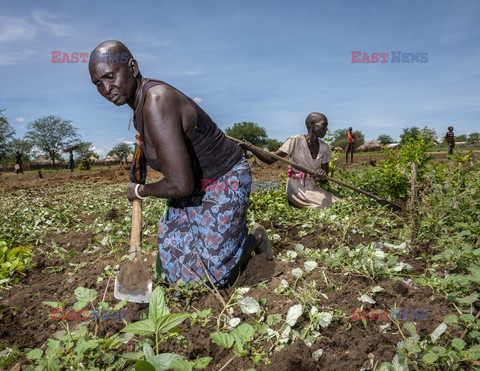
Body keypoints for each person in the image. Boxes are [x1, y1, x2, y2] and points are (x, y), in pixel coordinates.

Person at [88, 40, 272, 288]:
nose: (106, 88)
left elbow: (180, 185)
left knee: (210, 277)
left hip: (222, 179)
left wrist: (140, 191)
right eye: (98, 84)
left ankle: (254, 238)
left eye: (110, 77)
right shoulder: (139, 109)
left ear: (132, 67)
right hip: (192, 185)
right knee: (174, 270)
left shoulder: (157, 102)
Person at [244, 112, 339, 209]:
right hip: (296, 188)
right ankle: (294, 201)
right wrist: (251, 148)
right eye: (324, 125)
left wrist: (322, 174)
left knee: (339, 202)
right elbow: (270, 159)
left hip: (313, 187)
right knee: (324, 206)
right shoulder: (295, 140)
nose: (326, 129)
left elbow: (324, 180)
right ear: (311, 124)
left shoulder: (324, 147)